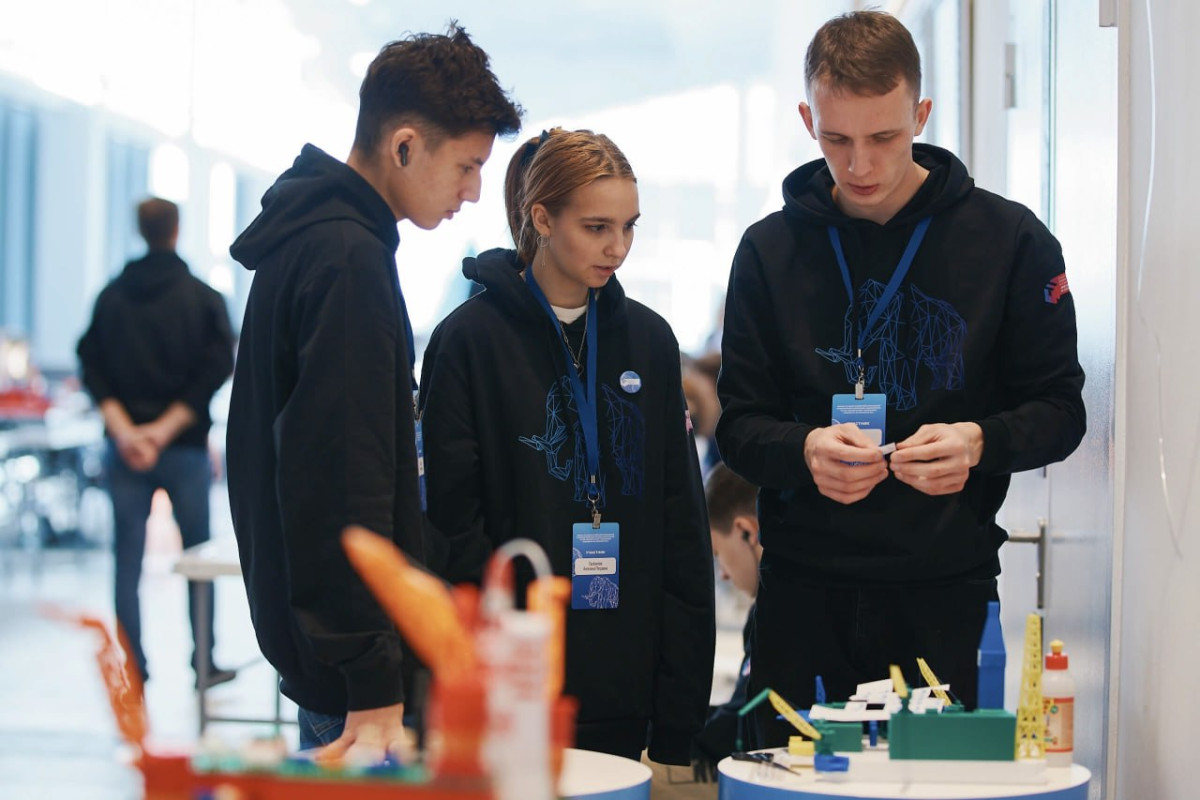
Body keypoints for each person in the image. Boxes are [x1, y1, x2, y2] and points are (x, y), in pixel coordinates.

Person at [715, 10, 1086, 745]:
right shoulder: (768, 250)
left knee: (933, 787)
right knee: (791, 786)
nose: (860, 166)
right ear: (807, 120)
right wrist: (803, 451)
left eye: (883, 137)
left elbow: (1060, 411)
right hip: (802, 596)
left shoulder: (1011, 242)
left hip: (943, 596)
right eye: (836, 139)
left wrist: (980, 442)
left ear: (921, 114)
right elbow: (739, 426)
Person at [225, 24, 521, 760]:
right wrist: (370, 670)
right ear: (405, 146)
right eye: (467, 166)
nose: (473, 191)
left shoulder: (311, 239)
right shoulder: (347, 258)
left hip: (324, 653)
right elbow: (338, 479)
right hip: (355, 683)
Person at [418, 128, 715, 764]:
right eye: (597, 227)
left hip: (625, 682)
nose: (618, 248)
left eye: (629, 227)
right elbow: (451, 530)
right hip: (512, 685)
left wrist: (678, 715)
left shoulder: (649, 342)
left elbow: (681, 526)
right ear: (543, 219)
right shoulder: (469, 342)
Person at [77, 197, 236, 689]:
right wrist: (164, 430)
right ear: (176, 229)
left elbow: (91, 365)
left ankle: (132, 668)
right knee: (198, 559)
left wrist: (128, 431)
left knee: (126, 562)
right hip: (184, 445)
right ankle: (204, 663)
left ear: (140, 230)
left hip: (125, 449)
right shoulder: (203, 298)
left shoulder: (111, 297)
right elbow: (216, 368)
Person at [692, 463, 761, 773]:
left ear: (746, 531)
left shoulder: (775, 618)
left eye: (718, 553)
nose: (722, 573)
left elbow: (733, 726)